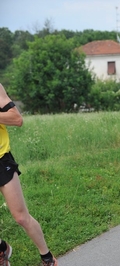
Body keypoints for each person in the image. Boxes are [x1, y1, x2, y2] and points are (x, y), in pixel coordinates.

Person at [0, 84, 58, 266]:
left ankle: (47, 258)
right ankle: (2, 249)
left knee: (21, 217)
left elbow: (17, 119)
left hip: (1, 160)